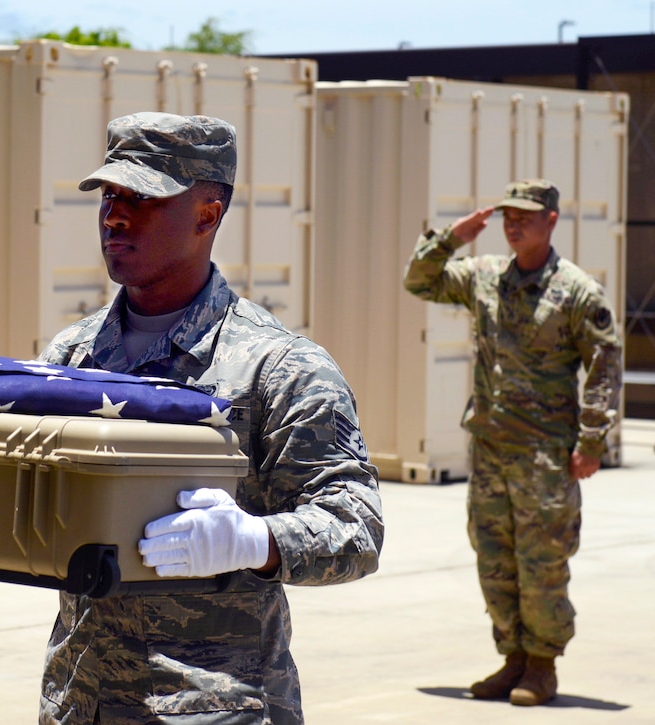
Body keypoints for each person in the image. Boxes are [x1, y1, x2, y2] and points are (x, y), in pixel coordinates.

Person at [36, 111, 384, 724]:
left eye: (142, 198)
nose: (114, 215)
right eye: (110, 196)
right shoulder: (73, 357)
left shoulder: (279, 367)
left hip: (215, 704)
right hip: (81, 701)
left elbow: (355, 529)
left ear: (206, 214)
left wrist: (255, 540)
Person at [402, 179, 623, 707]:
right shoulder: (484, 278)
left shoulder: (575, 291)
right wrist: (451, 238)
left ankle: (542, 665)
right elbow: (420, 281)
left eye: (525, 214)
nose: (513, 223)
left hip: (545, 455)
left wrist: (591, 440)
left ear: (551, 219)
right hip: (491, 449)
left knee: (542, 562)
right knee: (494, 558)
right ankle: (513, 659)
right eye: (507, 215)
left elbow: (605, 362)